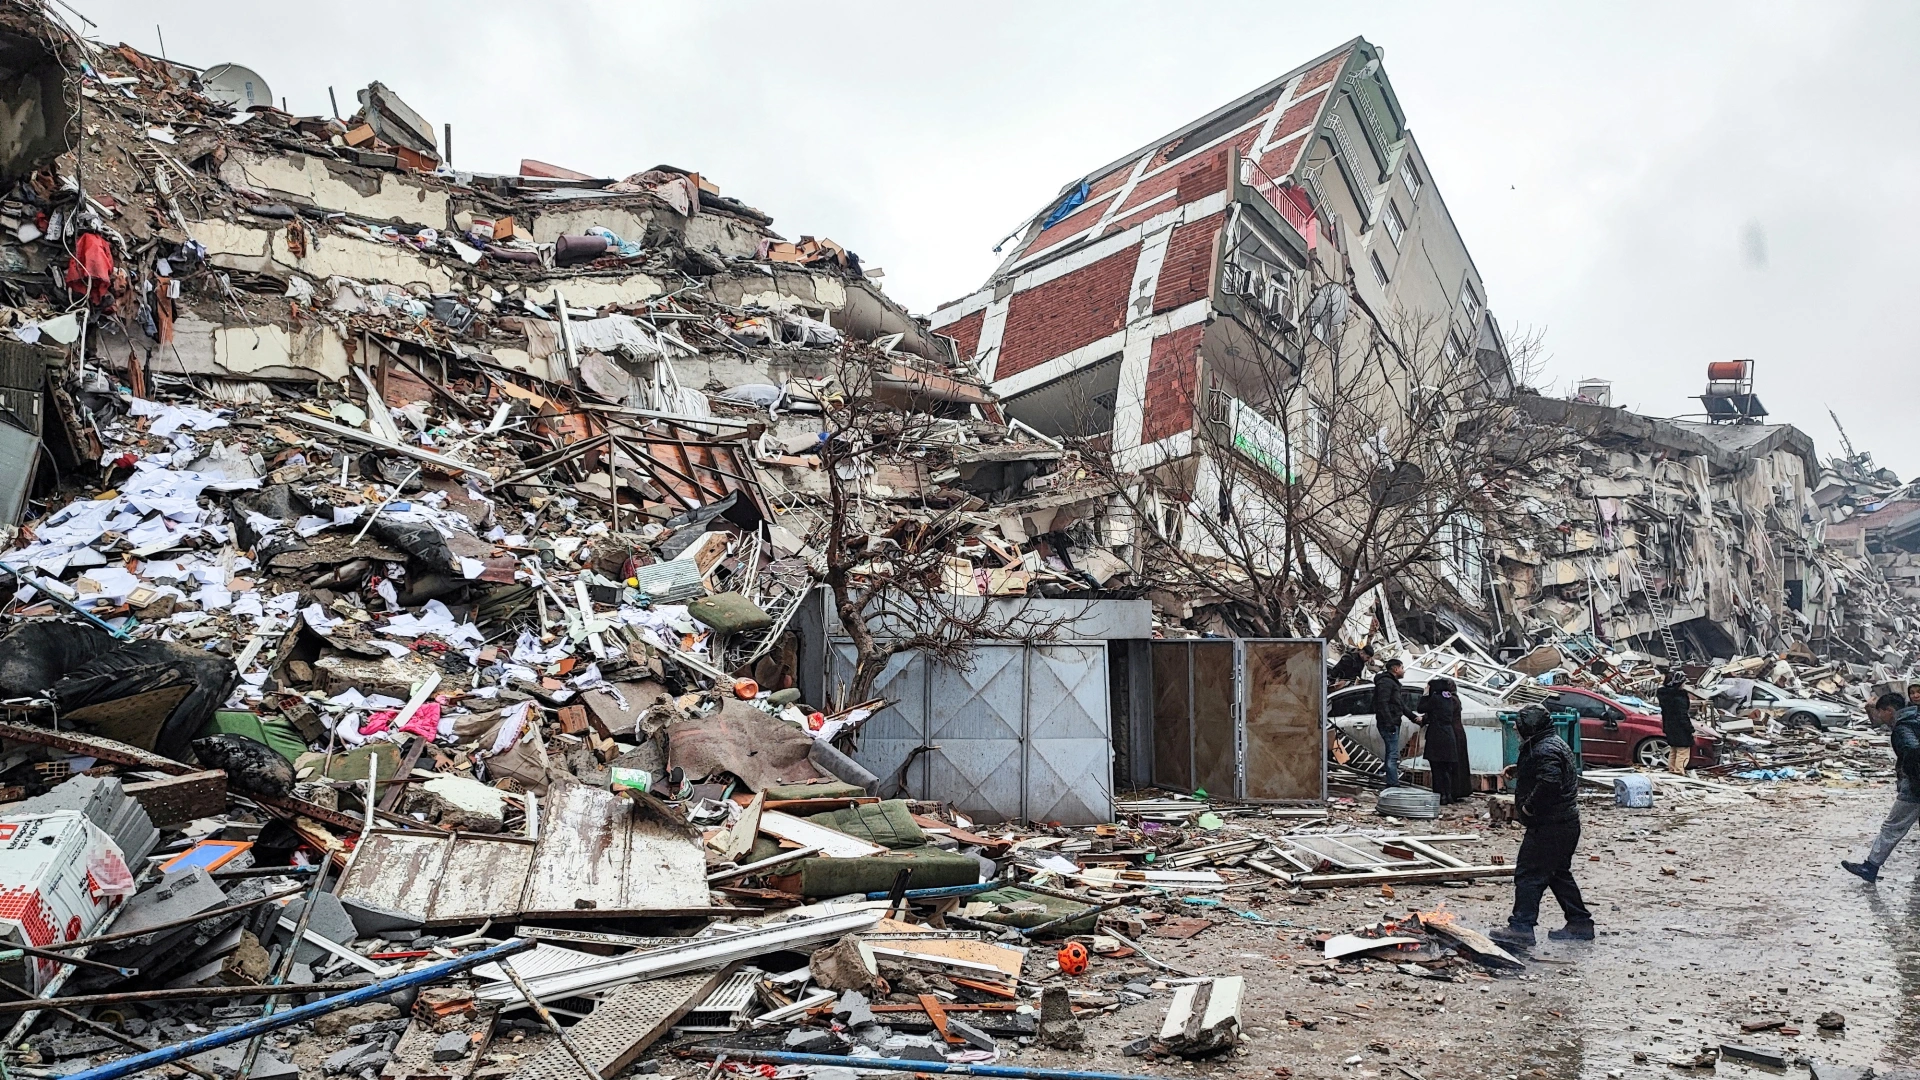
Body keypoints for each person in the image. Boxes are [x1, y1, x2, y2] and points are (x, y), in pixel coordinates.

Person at [1490, 704, 1592, 947]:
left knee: (1528, 875)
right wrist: (1522, 770)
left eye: (1519, 725)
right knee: (1557, 874)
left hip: (1550, 825)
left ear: (1530, 727)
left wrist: (1528, 807)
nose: (1515, 728)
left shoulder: (1545, 749)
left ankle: (1522, 927)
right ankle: (1580, 923)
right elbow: (1549, 772)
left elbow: (1550, 782)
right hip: (1563, 824)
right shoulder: (1549, 743)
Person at [1841, 693, 1920, 884]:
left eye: (1880, 712)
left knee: (1892, 827)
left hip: (1915, 788)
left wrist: (1912, 779)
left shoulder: (1903, 728)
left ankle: (1870, 866)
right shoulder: (1916, 719)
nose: (1879, 717)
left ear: (1890, 710)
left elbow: (1913, 751)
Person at [1416, 676, 1471, 804]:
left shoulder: (1437, 699)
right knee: (1448, 768)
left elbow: (1422, 708)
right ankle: (1448, 794)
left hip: (1439, 736)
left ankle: (1442, 795)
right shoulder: (1450, 700)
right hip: (1451, 735)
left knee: (1438, 767)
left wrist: (1425, 695)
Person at [1372, 659, 1414, 788]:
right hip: (1389, 723)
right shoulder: (1386, 683)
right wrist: (1389, 723)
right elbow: (1382, 704)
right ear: (1395, 669)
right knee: (1392, 755)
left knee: (1392, 753)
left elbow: (1400, 704)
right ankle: (1392, 784)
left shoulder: (1391, 683)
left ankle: (1391, 781)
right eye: (1402, 668)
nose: (1404, 670)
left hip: (1392, 722)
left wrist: (1414, 717)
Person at [1657, 672, 1694, 775]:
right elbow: (1683, 715)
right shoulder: (1679, 698)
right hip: (1680, 729)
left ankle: (1672, 770)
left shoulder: (1664, 695)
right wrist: (1690, 729)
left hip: (1669, 726)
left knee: (1673, 750)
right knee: (1683, 752)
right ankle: (1678, 772)